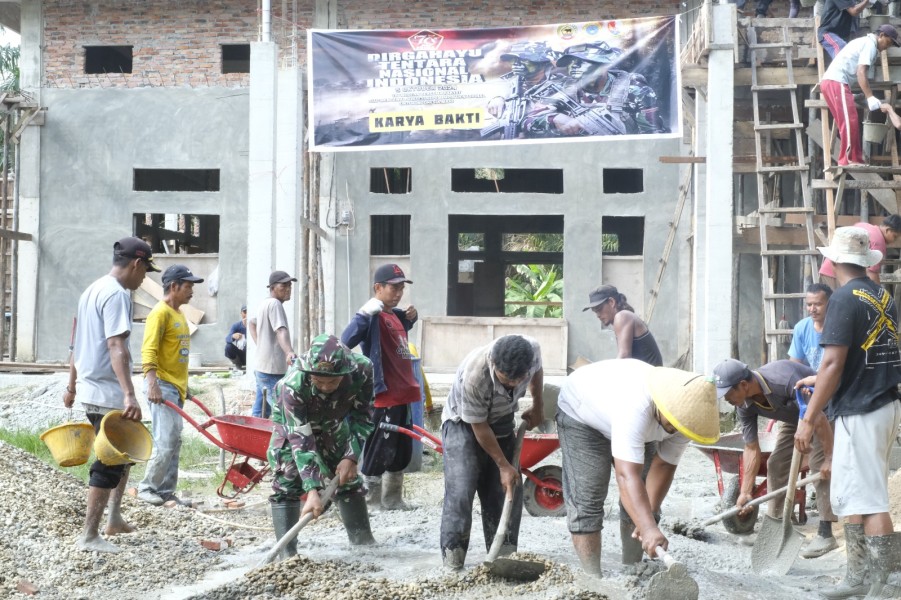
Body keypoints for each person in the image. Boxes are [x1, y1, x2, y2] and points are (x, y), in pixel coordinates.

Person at [794, 226, 901, 599]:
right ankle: (858, 578)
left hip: (862, 409)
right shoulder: (881, 295)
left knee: (869, 498)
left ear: (833, 260)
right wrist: (822, 375)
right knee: (854, 495)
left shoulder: (842, 299)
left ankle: (882, 584)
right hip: (883, 403)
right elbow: (855, 356)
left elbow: (833, 364)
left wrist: (808, 420)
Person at [556, 359, 719, 575]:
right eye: (671, 424)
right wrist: (649, 529)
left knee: (643, 508)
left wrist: (647, 520)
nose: (673, 432)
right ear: (662, 406)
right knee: (588, 498)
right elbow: (626, 476)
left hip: (629, 420)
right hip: (582, 415)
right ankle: (593, 578)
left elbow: (664, 466)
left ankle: (632, 570)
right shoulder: (637, 406)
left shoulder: (687, 418)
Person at [62, 236, 159, 553]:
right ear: (136, 263)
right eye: (145, 271)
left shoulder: (92, 289)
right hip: (107, 391)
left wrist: (71, 385)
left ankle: (114, 518)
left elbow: (75, 344)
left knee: (125, 453)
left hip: (92, 385)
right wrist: (130, 394)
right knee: (108, 461)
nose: (144, 278)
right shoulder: (117, 295)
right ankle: (90, 536)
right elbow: (117, 346)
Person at [712, 358, 837, 558]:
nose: (725, 399)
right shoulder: (744, 404)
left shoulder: (782, 380)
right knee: (776, 464)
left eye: (727, 393)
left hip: (822, 410)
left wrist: (830, 457)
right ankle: (776, 527)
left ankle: (825, 533)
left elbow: (818, 416)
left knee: (817, 463)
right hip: (793, 418)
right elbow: (751, 448)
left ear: (744, 385)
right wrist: (745, 492)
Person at [439, 334, 544, 570]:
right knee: (461, 488)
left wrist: (539, 405)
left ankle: (503, 558)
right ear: (494, 365)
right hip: (463, 424)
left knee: (506, 489)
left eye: (518, 381)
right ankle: (453, 561)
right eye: (506, 380)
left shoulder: (532, 351)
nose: (513, 386)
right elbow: (479, 425)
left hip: (501, 417)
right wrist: (503, 465)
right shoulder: (476, 375)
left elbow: (537, 371)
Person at [267, 334, 376, 558]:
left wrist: (351, 456)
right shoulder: (293, 384)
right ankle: (287, 556)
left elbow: (363, 416)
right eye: (319, 381)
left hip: (333, 422)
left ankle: (364, 543)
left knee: (347, 478)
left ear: (344, 374)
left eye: (332, 382)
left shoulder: (362, 370)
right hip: (293, 425)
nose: (326, 387)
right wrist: (312, 490)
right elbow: (300, 439)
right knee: (287, 477)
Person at [341, 263, 421, 511]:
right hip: (385, 395)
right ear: (378, 287)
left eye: (401, 288)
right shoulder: (371, 316)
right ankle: (371, 501)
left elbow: (396, 341)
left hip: (405, 392)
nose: (398, 293)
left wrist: (410, 319)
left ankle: (393, 498)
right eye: (394, 288)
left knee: (401, 450)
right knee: (379, 448)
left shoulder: (393, 315)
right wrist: (363, 314)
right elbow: (346, 340)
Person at [137, 264, 204, 507]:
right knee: (165, 441)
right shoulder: (160, 313)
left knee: (175, 440)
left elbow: (177, 355)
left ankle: (165, 491)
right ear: (173, 286)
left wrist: (184, 387)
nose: (192, 291)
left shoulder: (179, 314)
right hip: (161, 385)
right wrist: (152, 382)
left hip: (175, 387)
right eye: (188, 286)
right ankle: (147, 488)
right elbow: (149, 350)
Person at [523, 42, 665, 137]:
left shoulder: (634, 90)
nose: (573, 67)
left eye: (580, 62)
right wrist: (554, 118)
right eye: (570, 63)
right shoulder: (565, 88)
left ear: (603, 66)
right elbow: (528, 121)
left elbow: (653, 134)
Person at [820, 24, 901, 167]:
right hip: (836, 81)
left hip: (834, 83)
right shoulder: (869, 44)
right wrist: (870, 96)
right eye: (888, 42)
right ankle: (849, 159)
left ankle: (853, 158)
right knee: (849, 121)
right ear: (881, 35)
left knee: (849, 121)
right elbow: (860, 73)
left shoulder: (866, 43)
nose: (887, 47)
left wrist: (857, 95)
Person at [482, 42, 559, 139]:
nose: (516, 64)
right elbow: (493, 87)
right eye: (513, 60)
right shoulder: (510, 82)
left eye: (524, 59)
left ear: (541, 62)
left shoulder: (560, 83)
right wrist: (496, 97)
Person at [249, 271, 298, 418]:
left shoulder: (265, 303)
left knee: (260, 412)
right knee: (282, 411)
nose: (288, 289)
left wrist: (261, 346)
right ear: (272, 288)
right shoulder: (275, 304)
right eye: (284, 286)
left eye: (290, 285)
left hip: (261, 368)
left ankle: (251, 439)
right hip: (271, 371)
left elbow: (251, 323)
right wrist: (289, 352)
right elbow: (281, 330)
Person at [583, 285, 662, 366]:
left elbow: (624, 357)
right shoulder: (624, 317)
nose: (598, 315)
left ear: (611, 302)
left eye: (599, 309)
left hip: (651, 377)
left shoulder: (622, 316)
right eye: (595, 312)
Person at [819, 214, 901, 287]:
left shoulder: (864, 225)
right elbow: (872, 273)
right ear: (888, 230)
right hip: (837, 274)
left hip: (830, 268)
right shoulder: (879, 241)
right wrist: (880, 296)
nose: (894, 240)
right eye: (895, 236)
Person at [788, 283, 833, 371]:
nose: (812, 309)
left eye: (818, 304)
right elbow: (794, 365)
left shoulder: (839, 326)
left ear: (830, 303)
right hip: (808, 381)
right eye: (809, 305)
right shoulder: (801, 327)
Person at [224, 305, 247, 370]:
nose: (247, 314)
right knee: (228, 347)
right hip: (241, 354)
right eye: (245, 312)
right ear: (241, 313)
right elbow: (227, 339)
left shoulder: (255, 324)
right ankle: (238, 363)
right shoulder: (236, 325)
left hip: (253, 354)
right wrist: (233, 336)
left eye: (249, 312)